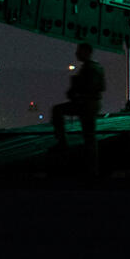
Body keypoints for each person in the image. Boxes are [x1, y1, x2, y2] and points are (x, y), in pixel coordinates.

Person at [50, 42, 104, 170]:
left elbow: (90, 88)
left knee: (89, 137)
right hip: (89, 105)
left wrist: (76, 90)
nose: (77, 54)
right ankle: (92, 168)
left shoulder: (89, 68)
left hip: (87, 105)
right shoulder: (94, 67)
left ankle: (63, 143)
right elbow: (101, 87)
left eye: (79, 51)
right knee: (89, 137)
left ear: (86, 52)